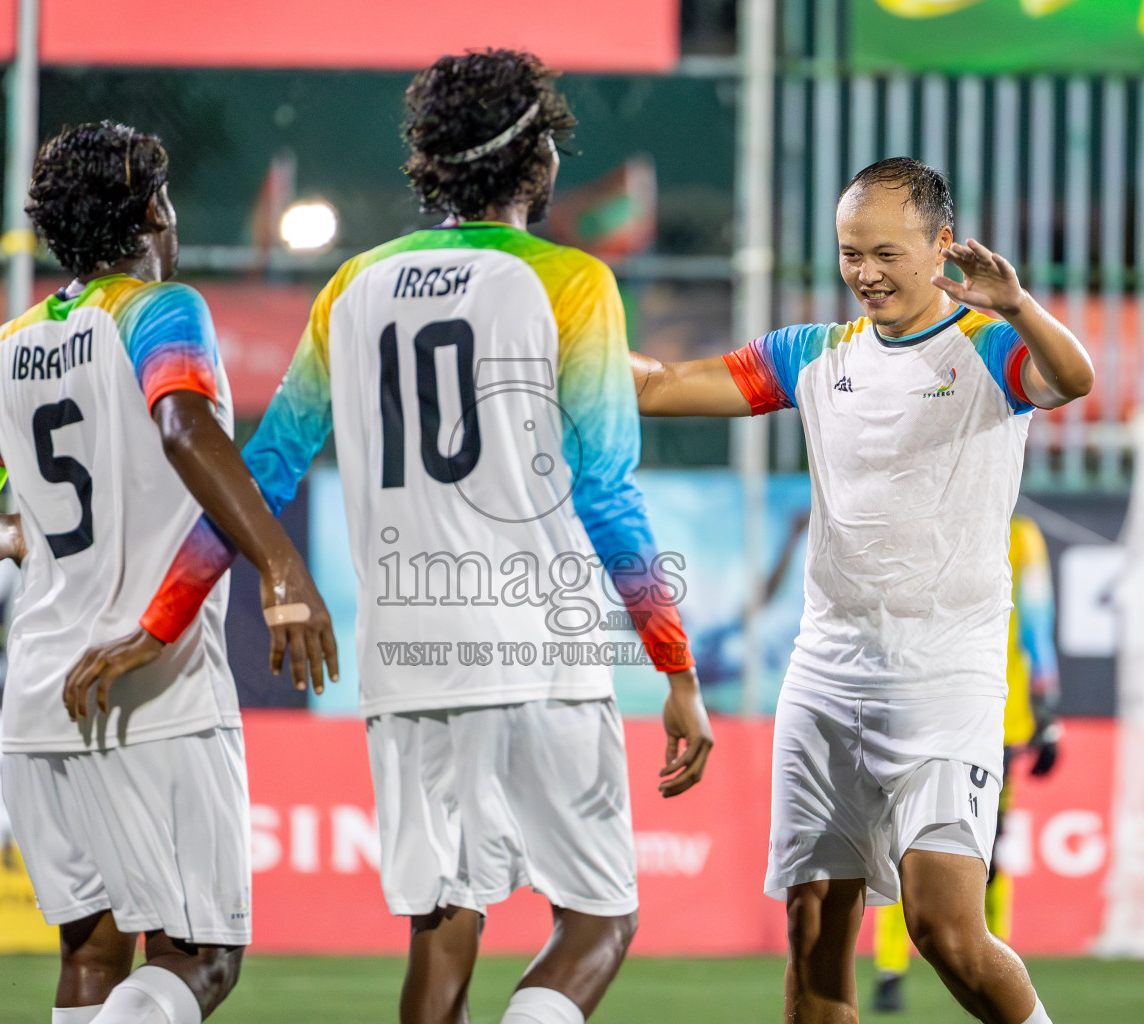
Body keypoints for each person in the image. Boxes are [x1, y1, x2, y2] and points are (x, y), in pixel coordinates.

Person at [244, 50, 714, 1024]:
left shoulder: (352, 287)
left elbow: (268, 468)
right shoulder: (572, 283)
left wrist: (256, 581)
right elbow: (607, 495)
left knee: (444, 923)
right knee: (597, 920)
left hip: (409, 662)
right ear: (537, 160)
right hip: (538, 653)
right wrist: (676, 668)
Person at [630, 157, 1093, 1024]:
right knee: (815, 931)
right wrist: (552, 350)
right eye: (850, 253)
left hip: (948, 680)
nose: (865, 273)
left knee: (945, 929)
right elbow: (658, 387)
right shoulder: (812, 354)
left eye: (885, 252)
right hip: (826, 676)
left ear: (942, 247)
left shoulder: (991, 348)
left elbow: (1073, 381)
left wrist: (1018, 305)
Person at [0, 120, 337, 1024]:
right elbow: (184, 427)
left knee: (92, 953)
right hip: (150, 689)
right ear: (154, 208)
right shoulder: (160, 311)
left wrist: (19, 541)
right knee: (204, 957)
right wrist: (282, 568)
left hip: (36, 696)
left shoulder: (3, 352)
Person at [869, 512, 1063, 1013]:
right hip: (982, 718)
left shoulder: (944, 527)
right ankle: (986, 967)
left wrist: (1044, 709)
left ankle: (912, 968)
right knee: (974, 851)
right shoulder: (1017, 537)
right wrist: (1047, 707)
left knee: (917, 845)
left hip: (962, 717)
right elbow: (1037, 628)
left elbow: (1036, 626)